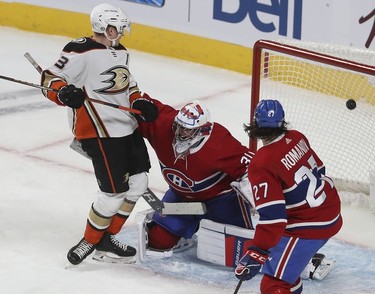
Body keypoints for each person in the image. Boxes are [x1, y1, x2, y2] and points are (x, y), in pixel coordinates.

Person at [40, 3, 158, 265]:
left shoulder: (121, 52)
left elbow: (129, 84)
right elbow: (49, 79)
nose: (123, 33)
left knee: (138, 183)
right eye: (120, 27)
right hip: (99, 130)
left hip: (127, 126)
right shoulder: (80, 49)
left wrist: (139, 101)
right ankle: (90, 240)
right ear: (107, 26)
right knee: (113, 193)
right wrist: (63, 92)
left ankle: (108, 237)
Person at [234, 99, 343, 293]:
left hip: (308, 226)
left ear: (255, 125)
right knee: (284, 272)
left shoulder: (261, 163)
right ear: (282, 122)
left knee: (274, 285)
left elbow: (274, 220)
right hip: (331, 210)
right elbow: (317, 170)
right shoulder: (297, 137)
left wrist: (256, 251)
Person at [135, 96, 255, 254]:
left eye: (187, 129)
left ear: (202, 130)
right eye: (179, 126)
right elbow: (143, 108)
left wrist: (256, 197)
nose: (180, 133)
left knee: (240, 251)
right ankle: (185, 231)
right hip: (181, 198)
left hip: (221, 200)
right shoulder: (165, 125)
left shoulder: (218, 142)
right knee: (157, 242)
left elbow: (252, 168)